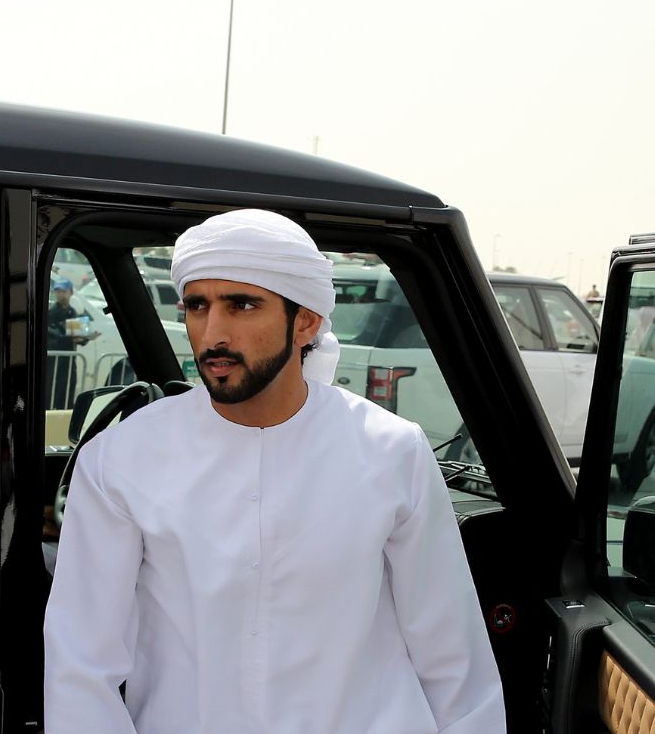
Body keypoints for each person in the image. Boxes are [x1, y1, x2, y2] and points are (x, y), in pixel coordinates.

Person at [43, 209, 505, 733]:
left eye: (241, 304)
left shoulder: (390, 450)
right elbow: (80, 664)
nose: (212, 333)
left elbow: (452, 655)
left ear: (305, 320)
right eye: (197, 305)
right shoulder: (122, 458)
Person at [44, 277, 96, 409]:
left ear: (71, 292)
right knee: (52, 391)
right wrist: (69, 338)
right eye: (57, 291)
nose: (60, 294)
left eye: (63, 291)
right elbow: (52, 335)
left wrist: (86, 338)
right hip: (55, 362)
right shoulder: (51, 313)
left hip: (69, 361)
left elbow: (75, 333)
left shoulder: (72, 311)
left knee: (68, 390)